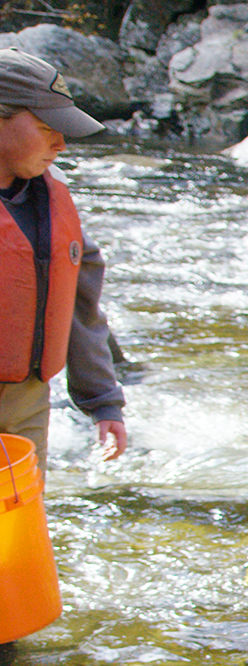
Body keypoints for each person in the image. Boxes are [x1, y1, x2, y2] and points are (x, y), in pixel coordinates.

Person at [0, 47, 128, 465]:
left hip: (25, 408)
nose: (60, 144)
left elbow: (76, 303)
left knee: (20, 525)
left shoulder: (50, 197)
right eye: (44, 127)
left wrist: (103, 402)